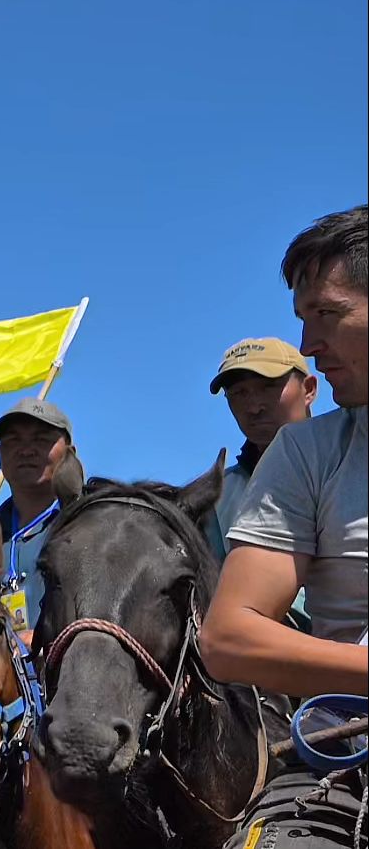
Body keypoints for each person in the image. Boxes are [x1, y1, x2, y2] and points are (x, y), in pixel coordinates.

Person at [201, 205, 369, 849]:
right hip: (338, 743)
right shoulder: (302, 457)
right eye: (303, 321)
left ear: (302, 390)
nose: (311, 341)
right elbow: (230, 634)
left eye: (326, 314)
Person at [0, 397, 80, 637]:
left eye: (42, 439)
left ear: (70, 453)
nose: (26, 450)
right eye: (13, 440)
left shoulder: (90, 525)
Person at [207, 337, 318, 558]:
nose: (254, 407)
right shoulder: (219, 497)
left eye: (269, 387)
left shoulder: (349, 463)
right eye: (239, 393)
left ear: (309, 389)